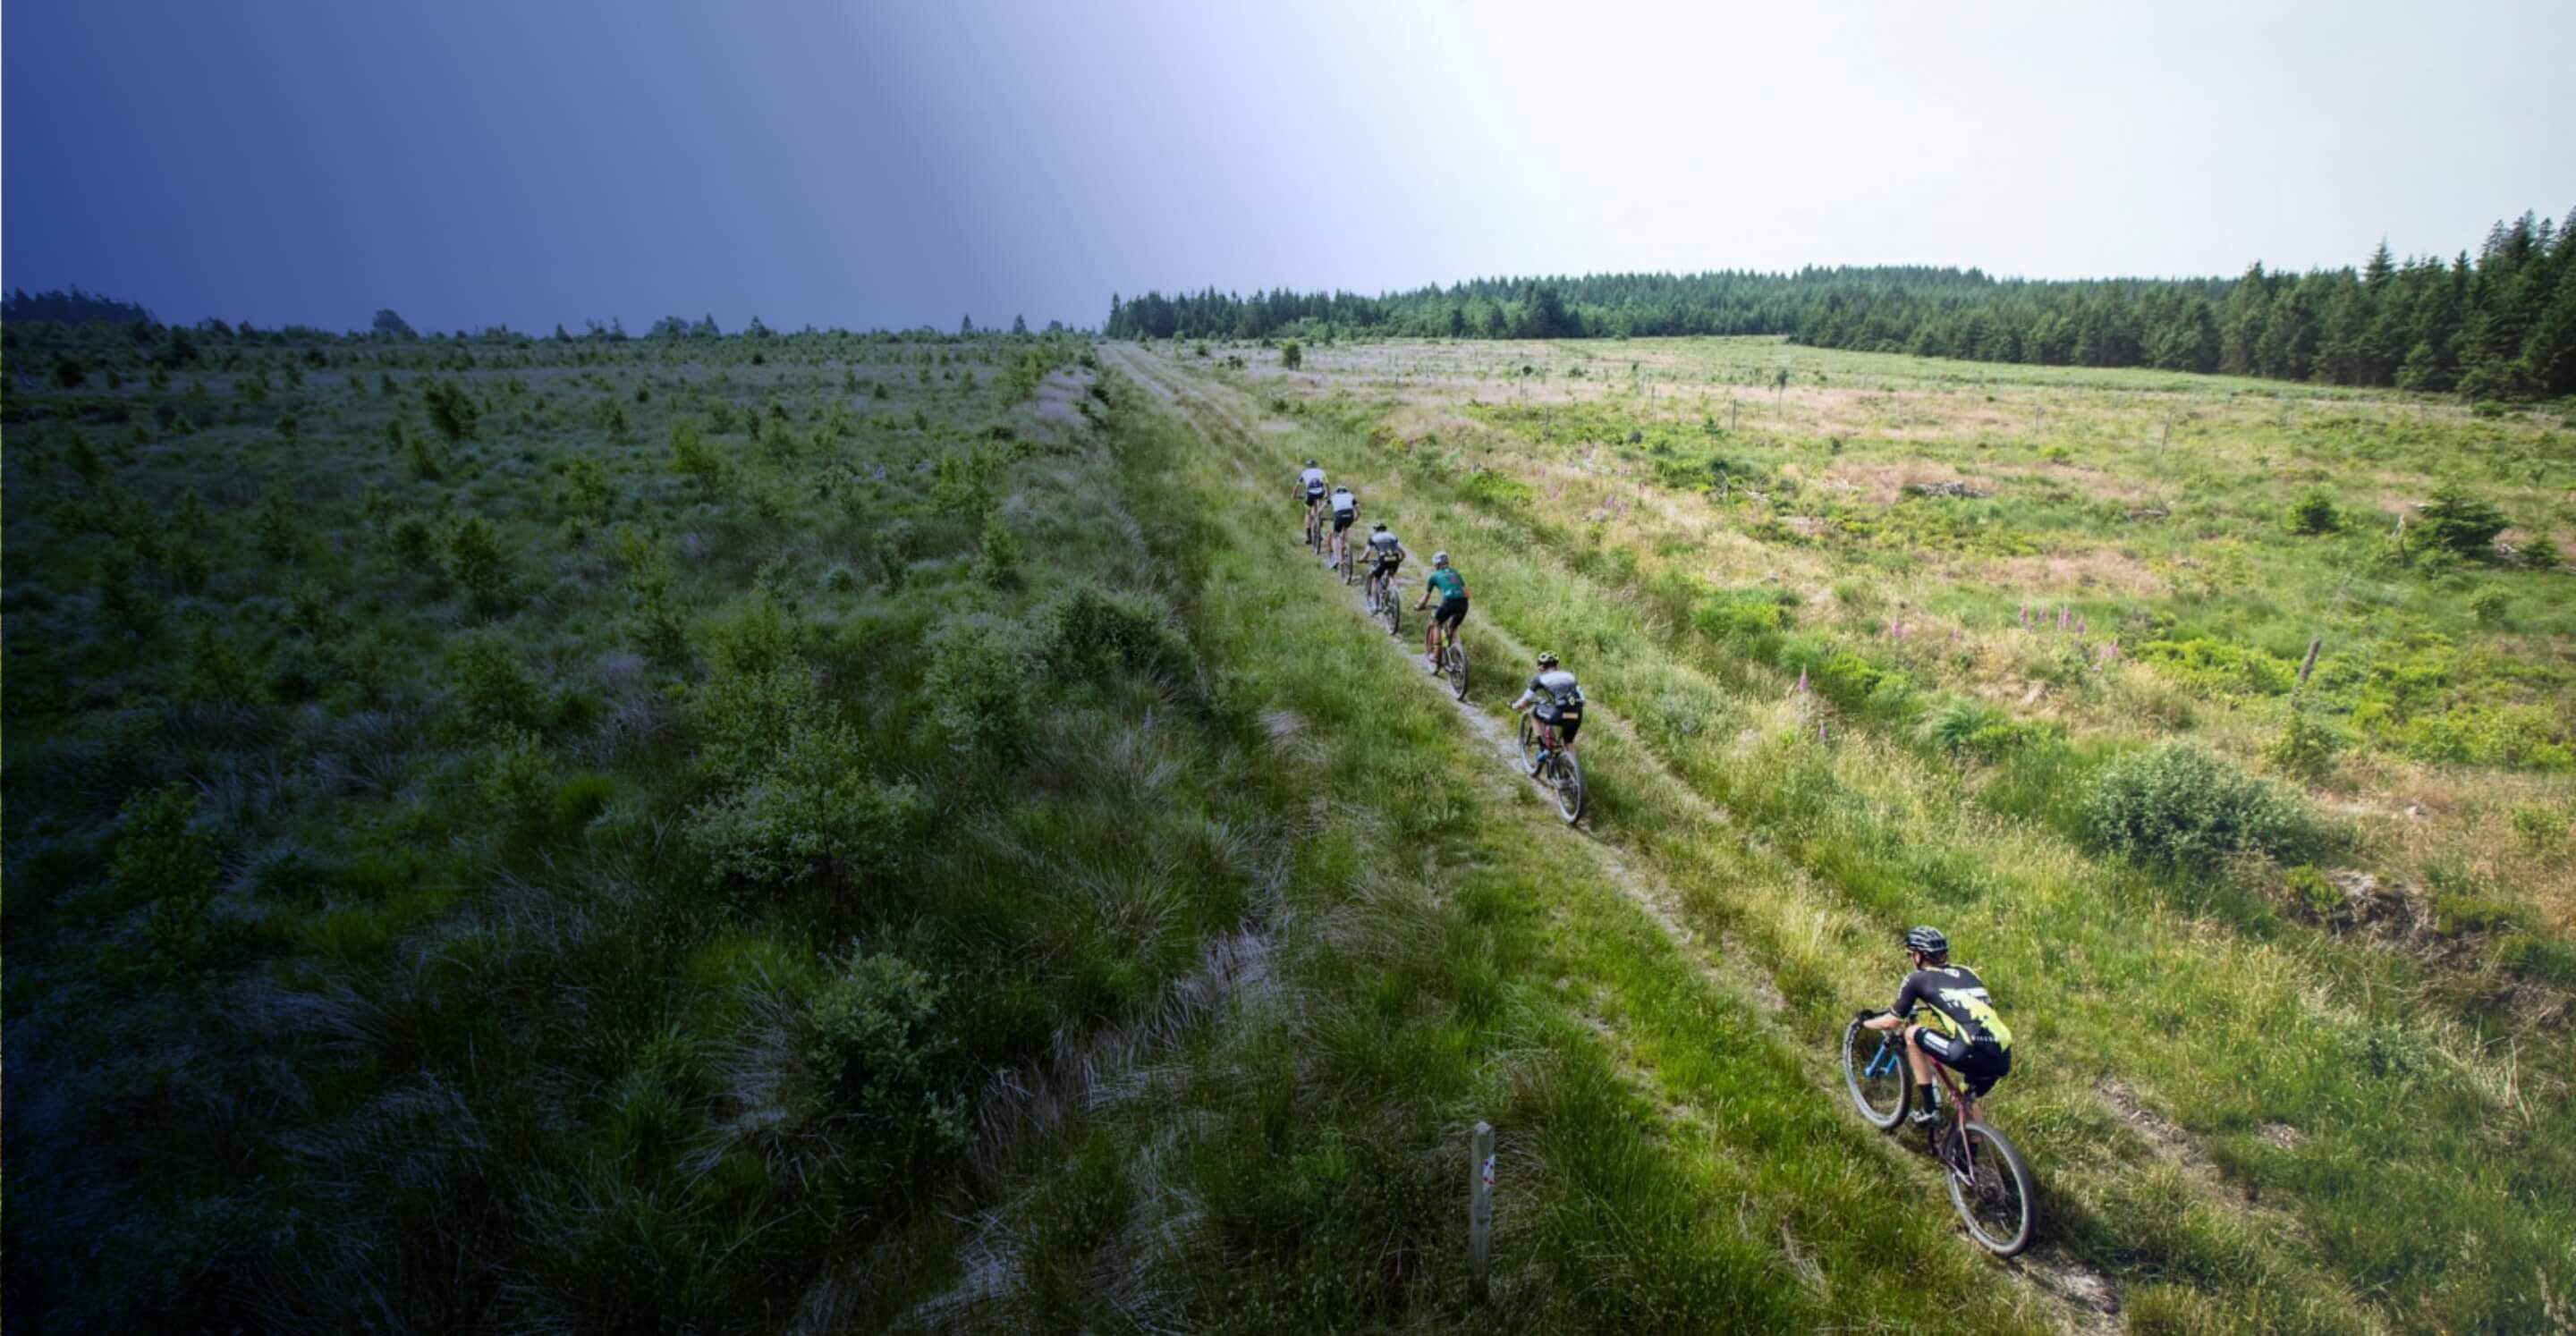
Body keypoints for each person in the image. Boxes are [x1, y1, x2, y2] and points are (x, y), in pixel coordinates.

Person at [1860, 926, 2013, 1127]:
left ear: (1918, 955)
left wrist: (1865, 1022)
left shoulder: (1916, 979)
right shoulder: (1968, 973)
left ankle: (1930, 1110)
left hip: (1969, 1048)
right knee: (1966, 1101)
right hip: (2002, 1053)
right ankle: (1968, 1155)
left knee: (1912, 1034)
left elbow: (1892, 1021)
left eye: (1910, 954)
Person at [1508, 652, 1584, 774]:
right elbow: (1582, 699)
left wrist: (1513, 705)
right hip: (1577, 714)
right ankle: (1573, 774)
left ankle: (1545, 748)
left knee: (1533, 712)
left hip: (1558, 713)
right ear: (1557, 666)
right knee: (1568, 741)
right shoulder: (1570, 676)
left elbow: (1523, 702)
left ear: (1541, 668)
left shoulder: (1539, 678)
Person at [1413, 551, 1469, 672]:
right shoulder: (1456, 573)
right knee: (1453, 627)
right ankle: (1458, 653)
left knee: (1436, 623)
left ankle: (1436, 654)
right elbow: (1465, 592)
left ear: (1436, 565)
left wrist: (1418, 606)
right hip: (1464, 603)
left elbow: (1426, 598)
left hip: (1449, 601)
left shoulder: (1434, 576)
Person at [1363, 521, 1406, 600]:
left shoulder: (1373, 537)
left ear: (1376, 530)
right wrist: (1400, 560)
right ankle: (1389, 592)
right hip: (1395, 558)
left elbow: (1367, 552)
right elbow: (1403, 552)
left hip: (1383, 559)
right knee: (1390, 575)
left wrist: (1363, 559)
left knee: (1376, 578)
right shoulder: (1393, 536)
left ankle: (1375, 604)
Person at [1326, 485, 1360, 568]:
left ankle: (1337, 558)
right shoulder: (1350, 495)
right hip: (1350, 515)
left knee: (1335, 536)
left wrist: (1318, 514)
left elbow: (1324, 506)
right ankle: (1344, 545)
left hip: (1339, 515)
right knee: (1345, 528)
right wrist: (1356, 517)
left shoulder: (1334, 496)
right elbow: (1358, 509)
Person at [1296, 460, 1328, 540]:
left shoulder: (1304, 473)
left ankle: (1308, 536)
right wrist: (1328, 493)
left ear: (1307, 466)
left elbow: (1297, 485)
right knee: (1319, 508)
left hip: (1310, 494)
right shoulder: (1321, 471)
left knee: (1308, 513)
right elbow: (1327, 484)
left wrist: (1294, 495)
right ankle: (1319, 531)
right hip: (1320, 493)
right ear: (1316, 465)